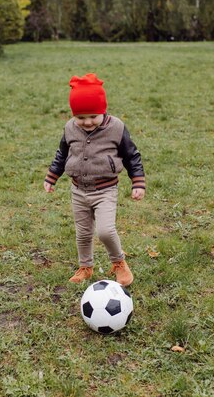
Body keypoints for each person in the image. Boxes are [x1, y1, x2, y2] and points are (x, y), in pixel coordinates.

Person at [43, 73, 146, 287]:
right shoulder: (70, 127)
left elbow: (131, 155)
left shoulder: (116, 128)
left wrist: (137, 181)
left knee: (105, 231)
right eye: (81, 117)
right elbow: (62, 154)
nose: (87, 122)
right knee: (83, 233)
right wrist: (52, 176)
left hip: (105, 190)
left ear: (103, 110)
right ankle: (86, 267)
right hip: (78, 191)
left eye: (93, 116)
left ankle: (119, 262)